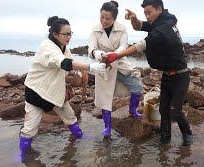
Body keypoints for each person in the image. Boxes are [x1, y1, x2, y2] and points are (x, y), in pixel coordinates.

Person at [105, 0, 193, 146]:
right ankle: (165, 138)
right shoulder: (159, 22)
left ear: (159, 9)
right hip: (167, 75)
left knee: (174, 110)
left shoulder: (164, 28)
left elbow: (141, 45)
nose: (147, 16)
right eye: (145, 13)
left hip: (181, 76)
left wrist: (117, 55)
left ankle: (187, 133)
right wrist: (133, 18)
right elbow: (140, 26)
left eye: (149, 12)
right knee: (164, 109)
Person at [19, 16, 107, 157]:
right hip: (36, 92)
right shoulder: (47, 47)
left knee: (70, 116)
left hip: (54, 92)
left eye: (70, 33)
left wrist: (79, 72)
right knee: (30, 127)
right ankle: (23, 155)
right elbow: (63, 62)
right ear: (55, 34)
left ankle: (78, 137)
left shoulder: (64, 48)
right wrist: (90, 67)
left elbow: (70, 65)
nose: (69, 37)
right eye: (65, 34)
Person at [88, 1, 143, 137]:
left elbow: (124, 45)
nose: (104, 21)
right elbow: (91, 49)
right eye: (102, 17)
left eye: (108, 19)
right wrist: (100, 54)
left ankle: (133, 110)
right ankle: (107, 127)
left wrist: (115, 54)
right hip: (104, 66)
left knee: (137, 86)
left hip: (120, 63)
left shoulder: (122, 29)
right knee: (105, 99)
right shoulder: (95, 30)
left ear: (114, 19)